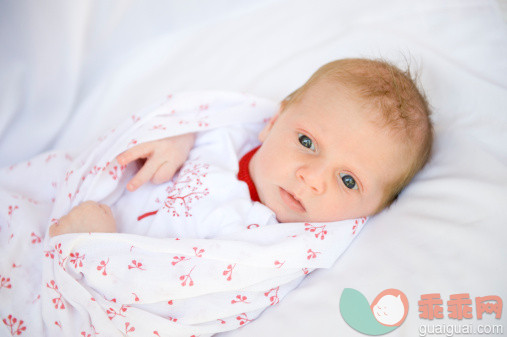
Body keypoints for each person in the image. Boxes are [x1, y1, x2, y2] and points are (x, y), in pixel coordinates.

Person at [48, 58, 433, 237]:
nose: (312, 179)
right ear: (273, 122)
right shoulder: (226, 136)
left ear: (375, 210)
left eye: (349, 181)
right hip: (66, 201)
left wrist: (95, 246)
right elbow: (190, 117)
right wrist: (177, 136)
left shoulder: (275, 248)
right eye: (306, 142)